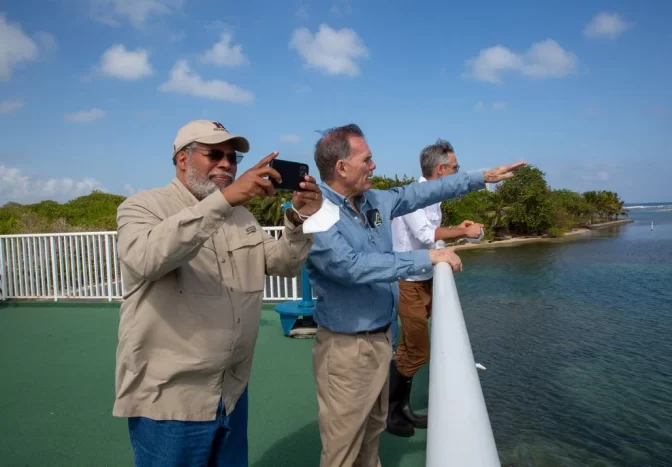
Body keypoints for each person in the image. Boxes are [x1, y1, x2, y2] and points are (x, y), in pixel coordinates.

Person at [305, 124, 525, 467]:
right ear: (341, 167)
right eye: (368, 159)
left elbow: (418, 194)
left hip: (380, 339)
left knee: (372, 432)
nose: (374, 165)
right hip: (346, 349)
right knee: (343, 448)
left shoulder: (373, 201)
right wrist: (427, 257)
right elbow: (350, 267)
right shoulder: (316, 211)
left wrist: (481, 177)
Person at [112, 119, 323, 466]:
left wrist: (299, 219)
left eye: (232, 157)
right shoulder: (143, 206)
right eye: (214, 154)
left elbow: (283, 263)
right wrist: (225, 200)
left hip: (231, 393)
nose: (226, 163)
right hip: (171, 399)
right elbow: (145, 259)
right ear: (182, 159)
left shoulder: (241, 217)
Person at [388, 139, 484, 437]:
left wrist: (458, 228)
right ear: (441, 169)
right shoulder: (413, 196)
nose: (458, 172)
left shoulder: (433, 198)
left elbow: (431, 235)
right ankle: (390, 412)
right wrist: (462, 232)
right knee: (418, 349)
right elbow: (426, 234)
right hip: (407, 281)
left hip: (423, 279)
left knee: (409, 347)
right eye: (456, 168)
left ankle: (399, 409)